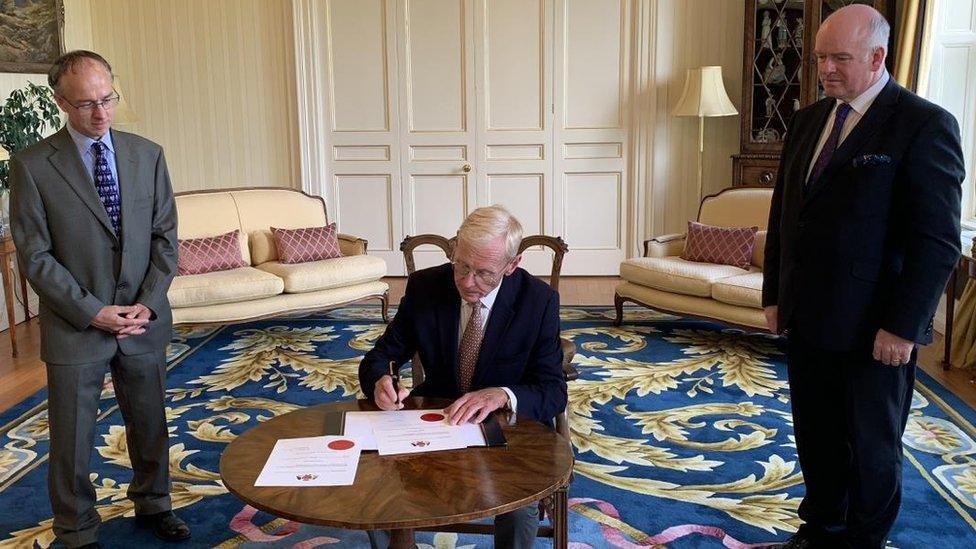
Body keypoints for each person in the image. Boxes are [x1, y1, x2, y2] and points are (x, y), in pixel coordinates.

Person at [762, 6, 964, 549]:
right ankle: (821, 526)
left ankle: (861, 540)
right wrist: (775, 294)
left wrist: (903, 327)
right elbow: (785, 214)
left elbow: (937, 241)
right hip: (808, 316)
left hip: (875, 327)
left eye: (839, 58)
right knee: (817, 433)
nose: (825, 68)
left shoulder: (923, 124)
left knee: (872, 446)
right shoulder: (808, 120)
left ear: (878, 57)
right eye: (821, 57)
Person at [9, 51, 187, 548]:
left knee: (150, 422)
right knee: (71, 437)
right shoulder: (32, 166)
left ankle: (155, 503)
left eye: (107, 98)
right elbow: (36, 257)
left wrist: (147, 304)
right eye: (86, 103)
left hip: (142, 319)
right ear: (61, 101)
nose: (101, 112)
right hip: (75, 325)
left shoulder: (147, 154)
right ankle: (77, 527)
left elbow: (165, 239)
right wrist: (93, 310)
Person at [359, 205, 567, 549]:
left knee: (518, 512)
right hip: (436, 420)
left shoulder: (539, 301)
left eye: (484, 273)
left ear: (512, 265)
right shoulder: (426, 286)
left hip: (508, 431)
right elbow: (380, 357)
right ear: (455, 250)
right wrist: (382, 380)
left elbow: (552, 392)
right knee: (375, 482)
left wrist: (502, 394)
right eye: (463, 266)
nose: (468, 282)